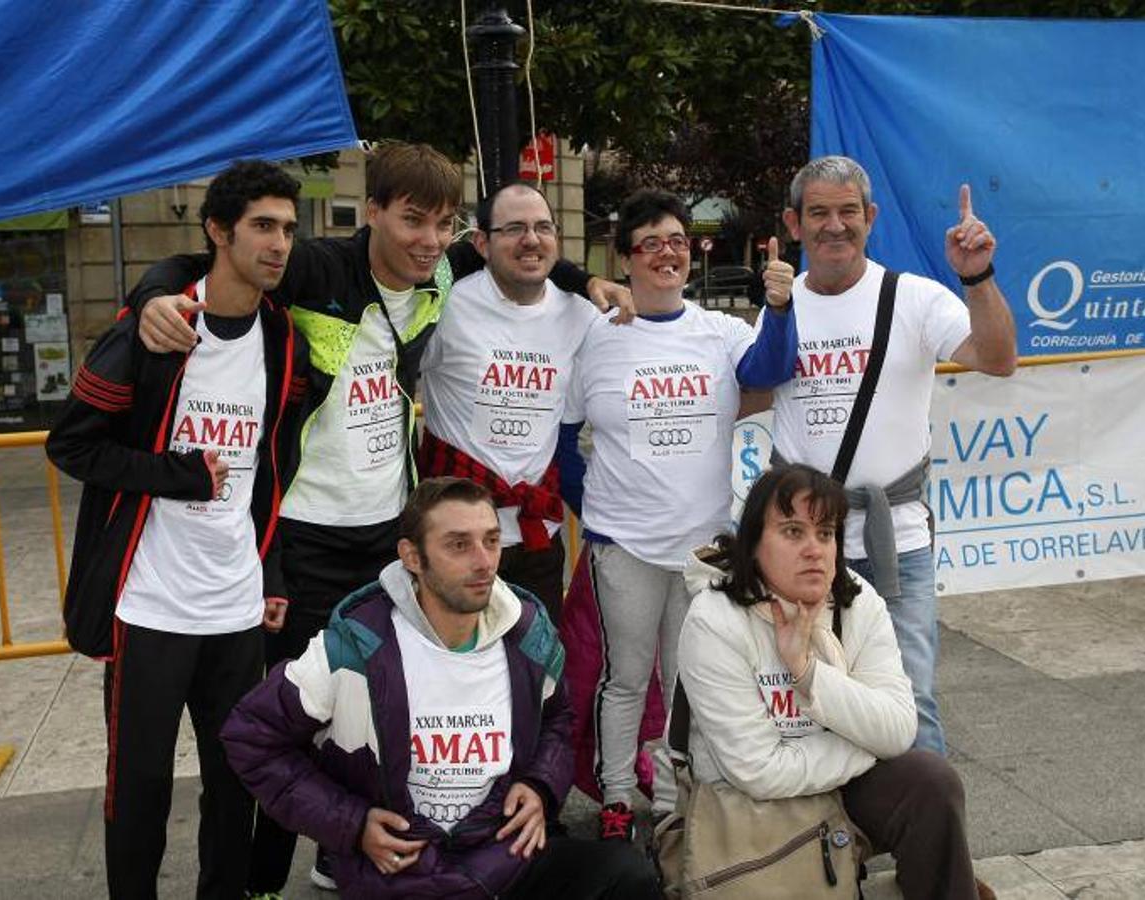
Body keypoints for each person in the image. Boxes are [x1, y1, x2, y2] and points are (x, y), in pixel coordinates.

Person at [125, 143, 630, 895]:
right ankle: (261, 878)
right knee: (293, 717)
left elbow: (518, 253)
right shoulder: (318, 267)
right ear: (372, 214)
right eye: (410, 220)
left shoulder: (445, 270)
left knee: (385, 710)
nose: (427, 239)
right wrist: (153, 298)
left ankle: (353, 848)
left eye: (441, 223)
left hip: (386, 536)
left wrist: (580, 275)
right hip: (301, 535)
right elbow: (201, 262)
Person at [45, 159, 311, 899]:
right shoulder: (157, 327)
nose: (279, 243)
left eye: (288, 229)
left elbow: (270, 471)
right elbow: (70, 443)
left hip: (235, 602)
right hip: (150, 603)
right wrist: (179, 474)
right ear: (218, 232)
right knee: (139, 790)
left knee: (235, 787)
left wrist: (272, 572)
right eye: (262, 226)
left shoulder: (282, 340)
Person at [219, 477, 662, 899]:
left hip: (504, 861)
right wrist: (352, 824)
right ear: (412, 557)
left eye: (491, 540)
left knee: (629, 876)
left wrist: (541, 784)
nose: (484, 561)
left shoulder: (526, 631)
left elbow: (558, 722)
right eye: (458, 545)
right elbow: (251, 738)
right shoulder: (355, 645)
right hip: (401, 876)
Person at [558, 188, 799, 841]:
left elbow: (772, 367)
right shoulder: (594, 338)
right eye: (651, 244)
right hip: (625, 549)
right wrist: (598, 512)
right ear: (625, 258)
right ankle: (613, 797)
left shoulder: (718, 332)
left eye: (676, 241)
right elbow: (564, 437)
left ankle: (668, 798)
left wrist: (778, 308)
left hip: (699, 549)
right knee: (627, 675)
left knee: (685, 676)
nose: (667, 254)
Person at [770, 155, 1018, 755]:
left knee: (910, 697)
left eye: (848, 212)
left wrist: (978, 278)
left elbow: (998, 358)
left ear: (871, 217)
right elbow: (736, 388)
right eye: (819, 213)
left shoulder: (915, 299)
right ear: (794, 223)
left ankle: (925, 839)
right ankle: (831, 839)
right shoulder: (779, 307)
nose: (835, 226)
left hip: (895, 543)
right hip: (800, 542)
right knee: (802, 695)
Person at [675, 463, 992, 900]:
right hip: (742, 802)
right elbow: (756, 771)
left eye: (825, 534)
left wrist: (807, 673)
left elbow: (900, 729)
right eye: (792, 532)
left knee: (930, 782)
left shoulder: (857, 599)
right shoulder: (714, 620)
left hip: (828, 779)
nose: (814, 550)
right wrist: (866, 745)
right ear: (752, 546)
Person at [418, 181, 605, 623]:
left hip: (538, 533)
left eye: (543, 227)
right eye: (514, 228)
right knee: (453, 668)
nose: (531, 239)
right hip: (455, 536)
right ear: (482, 242)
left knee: (535, 673)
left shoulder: (583, 315)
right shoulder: (444, 305)